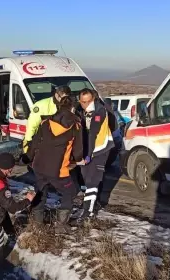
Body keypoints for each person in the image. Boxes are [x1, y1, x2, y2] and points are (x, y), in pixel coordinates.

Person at [26, 95, 83, 232]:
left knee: (41, 191)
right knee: (69, 192)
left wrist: (28, 157)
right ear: (73, 108)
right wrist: (77, 159)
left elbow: (34, 143)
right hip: (58, 169)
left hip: (39, 165)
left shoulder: (45, 122)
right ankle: (61, 225)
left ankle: (37, 223)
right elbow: (78, 151)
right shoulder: (75, 125)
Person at [76, 89, 114, 221]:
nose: (85, 104)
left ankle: (88, 212)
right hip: (87, 149)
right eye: (83, 102)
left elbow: (93, 133)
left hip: (100, 149)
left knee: (93, 180)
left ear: (93, 100)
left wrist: (89, 154)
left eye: (88, 102)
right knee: (86, 178)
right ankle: (90, 203)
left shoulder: (99, 111)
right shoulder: (80, 110)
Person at [22, 85, 71, 153]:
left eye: (66, 98)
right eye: (62, 98)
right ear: (56, 95)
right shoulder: (41, 105)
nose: (64, 101)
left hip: (63, 144)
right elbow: (32, 126)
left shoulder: (70, 105)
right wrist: (28, 144)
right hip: (44, 143)